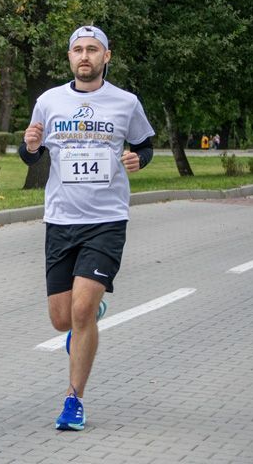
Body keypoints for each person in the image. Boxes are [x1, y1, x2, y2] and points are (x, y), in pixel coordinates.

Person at [19, 25, 154, 431]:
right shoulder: (49, 101)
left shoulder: (126, 103)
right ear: (69, 58)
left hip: (107, 220)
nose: (85, 56)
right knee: (63, 319)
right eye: (78, 49)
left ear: (106, 57)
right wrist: (28, 146)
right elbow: (32, 156)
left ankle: (73, 400)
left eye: (92, 49)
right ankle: (87, 320)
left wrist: (139, 160)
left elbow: (145, 143)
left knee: (79, 311)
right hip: (60, 220)